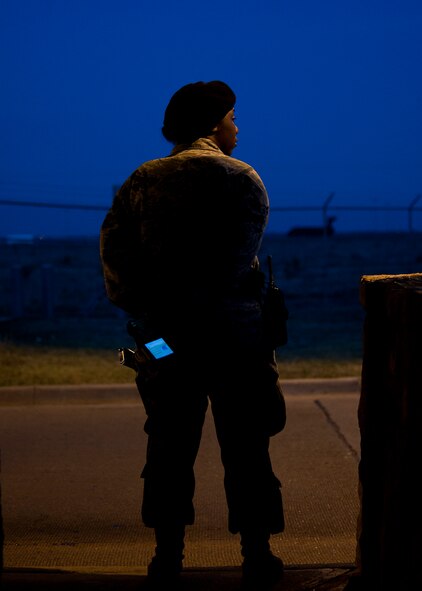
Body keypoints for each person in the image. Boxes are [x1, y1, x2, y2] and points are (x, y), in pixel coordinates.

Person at [100, 80, 287, 590]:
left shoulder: (142, 180)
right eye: (232, 117)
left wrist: (146, 313)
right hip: (238, 341)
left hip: (162, 341)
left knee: (166, 445)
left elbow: (114, 255)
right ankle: (256, 554)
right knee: (248, 448)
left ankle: (166, 558)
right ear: (213, 124)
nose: (237, 127)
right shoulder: (243, 178)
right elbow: (238, 260)